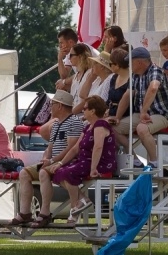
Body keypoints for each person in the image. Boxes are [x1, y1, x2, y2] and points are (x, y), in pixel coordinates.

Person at [36, 95, 117, 227]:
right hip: (84, 161)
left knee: (68, 173)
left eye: (85, 108)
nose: (82, 111)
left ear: (93, 111)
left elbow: (98, 147)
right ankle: (81, 201)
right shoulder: (87, 127)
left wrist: (93, 168)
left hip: (98, 163)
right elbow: (75, 149)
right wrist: (60, 163)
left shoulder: (100, 125)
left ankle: (75, 208)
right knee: (57, 171)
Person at [9, 90, 83, 226]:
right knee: (24, 173)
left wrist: (52, 161)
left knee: (43, 172)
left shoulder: (74, 122)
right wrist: (45, 159)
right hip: (53, 161)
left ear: (60, 106)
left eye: (52, 104)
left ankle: (44, 213)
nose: (50, 108)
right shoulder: (55, 124)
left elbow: (71, 149)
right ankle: (25, 212)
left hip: (66, 162)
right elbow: (50, 147)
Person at [113, 47, 168, 166]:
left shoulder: (155, 70)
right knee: (112, 128)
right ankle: (135, 160)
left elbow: (153, 88)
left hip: (164, 114)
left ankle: (154, 162)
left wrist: (143, 111)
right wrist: (117, 117)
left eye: (130, 62)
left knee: (142, 129)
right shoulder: (135, 75)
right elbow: (127, 96)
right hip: (144, 114)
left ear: (139, 62)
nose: (129, 65)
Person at [106, 47, 132, 147]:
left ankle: (133, 157)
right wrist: (106, 109)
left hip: (127, 113)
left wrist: (117, 116)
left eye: (110, 63)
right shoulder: (114, 77)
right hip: (112, 112)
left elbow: (128, 100)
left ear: (117, 65)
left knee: (105, 126)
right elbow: (109, 98)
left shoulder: (132, 78)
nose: (109, 66)